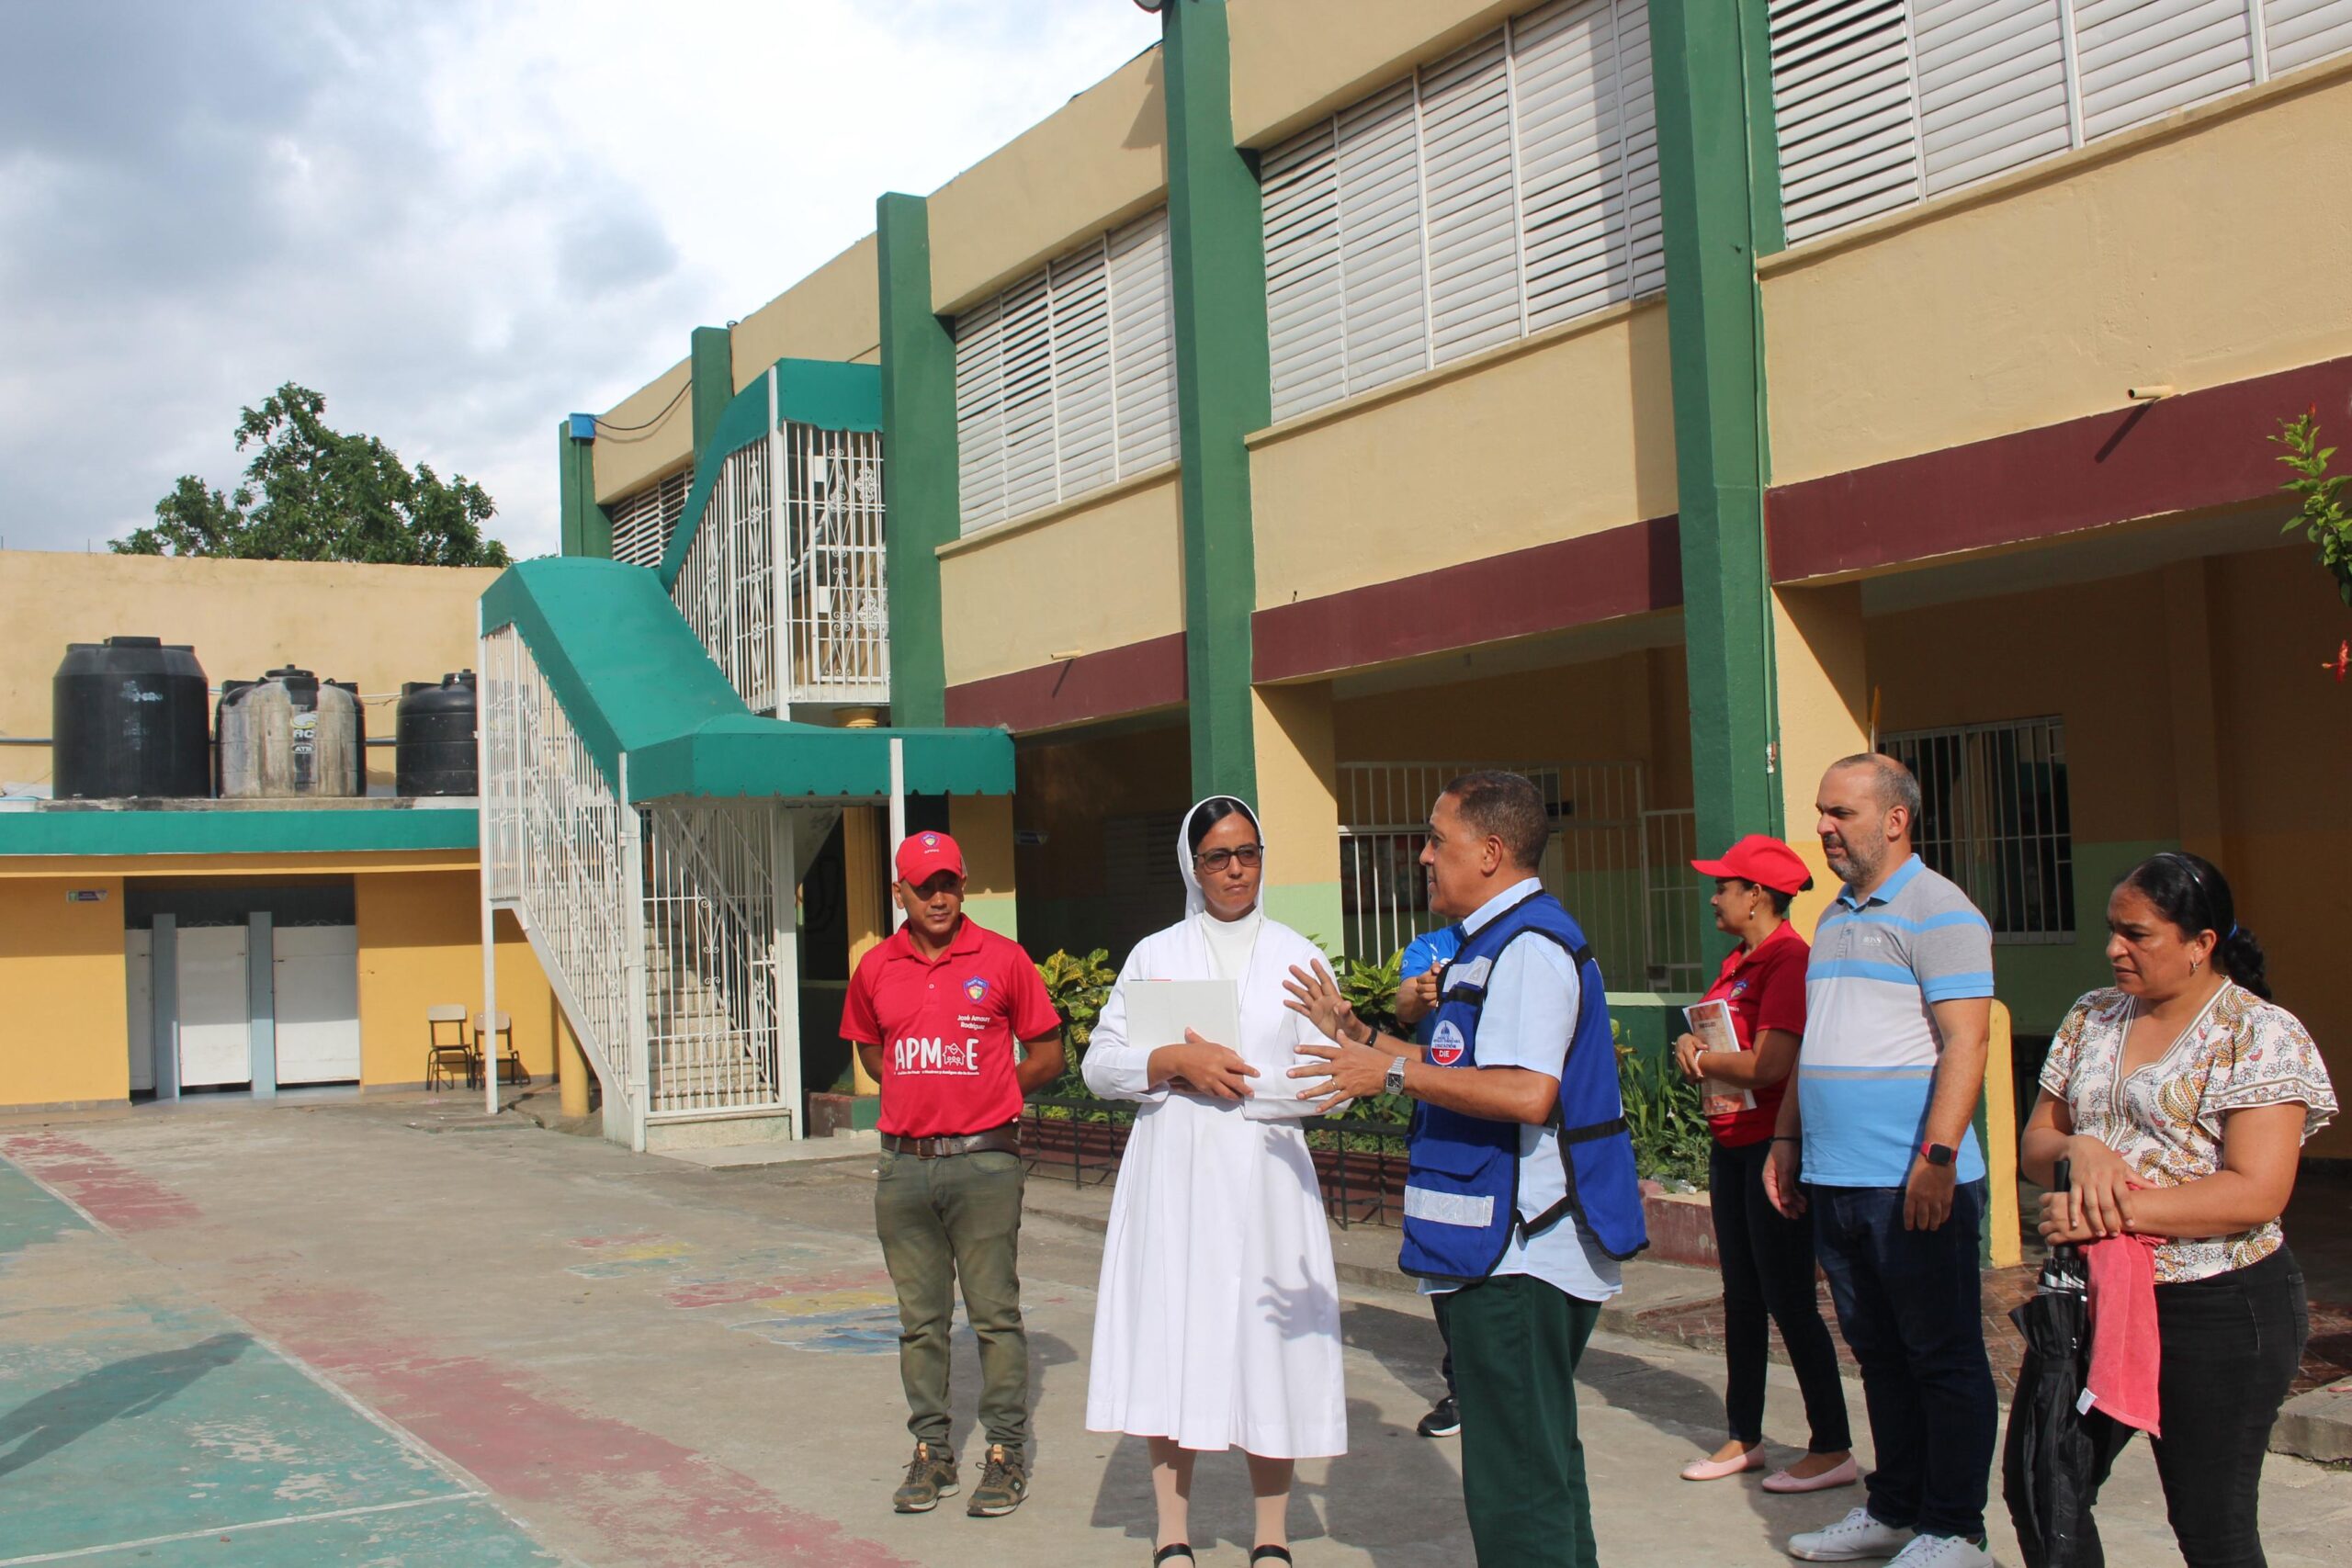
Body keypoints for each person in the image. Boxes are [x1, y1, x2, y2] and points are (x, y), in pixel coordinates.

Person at [1288, 770, 1645, 1568]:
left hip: (1521, 1256)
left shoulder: (1529, 947)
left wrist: (1385, 1075)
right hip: (1499, 1250)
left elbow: (1524, 1091)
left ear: (1489, 852)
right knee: (1537, 1465)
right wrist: (1361, 1037)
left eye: (1436, 840)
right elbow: (1461, 1062)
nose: (1422, 855)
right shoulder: (1490, 945)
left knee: (1516, 1484)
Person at [2018, 851, 2334, 1568]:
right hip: (2090, 1297)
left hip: (2220, 1306)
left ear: (2201, 944)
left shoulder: (2258, 1034)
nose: (2113, 949)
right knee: (2044, 1486)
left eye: (2137, 934)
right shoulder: (2092, 1015)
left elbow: (2256, 1191)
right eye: (2111, 930)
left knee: (2210, 1525)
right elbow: (2037, 1144)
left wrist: (2112, 1210)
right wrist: (2081, 1149)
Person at [1081, 795, 1347, 1567]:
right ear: (1190, 866)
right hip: (1176, 1178)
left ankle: (1271, 1534)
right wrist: (1169, 1062)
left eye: (1248, 853)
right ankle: (1173, 1532)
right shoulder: (1155, 954)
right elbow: (1101, 1064)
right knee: (1174, 1336)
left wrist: (1231, 1079)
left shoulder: (1299, 958)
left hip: (1267, 1181)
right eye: (1217, 857)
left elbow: (1328, 1078)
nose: (1235, 869)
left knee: (1270, 1347)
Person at [1768, 755, 2000, 1568]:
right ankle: (1894, 1507)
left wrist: (1937, 1155)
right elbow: (1818, 1041)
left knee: (1942, 1354)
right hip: (1837, 1177)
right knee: (1880, 1354)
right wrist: (1788, 1140)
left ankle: (1956, 1526)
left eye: (1841, 812)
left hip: (1914, 1181)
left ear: (1895, 819)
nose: (1825, 826)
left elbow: (1968, 1040)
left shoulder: (1942, 911)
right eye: (1822, 810)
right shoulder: (1833, 915)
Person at [838, 829, 1065, 1519]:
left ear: (963, 886)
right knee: (920, 1322)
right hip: (903, 1168)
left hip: (985, 1163)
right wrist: (926, 1095)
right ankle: (932, 1453)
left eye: (950, 883)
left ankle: (1004, 1452)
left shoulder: (1002, 959)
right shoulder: (876, 966)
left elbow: (1048, 1053)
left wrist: (989, 1095)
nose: (939, 897)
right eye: (924, 885)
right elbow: (877, 1056)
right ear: (899, 890)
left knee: (995, 1314)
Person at [1669, 834, 1854, 1492]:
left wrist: (1703, 1058)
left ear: (1757, 896)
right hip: (1731, 1143)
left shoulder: (1786, 961)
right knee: (1743, 1297)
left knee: (1788, 1299)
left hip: (1773, 1145)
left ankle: (1832, 1443)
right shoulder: (1738, 961)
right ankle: (1742, 1434)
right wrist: (1695, 1043)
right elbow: (1721, 1036)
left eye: (1725, 885)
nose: (1714, 895)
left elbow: (1773, 1063)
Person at [1394, 919, 1464, 1440]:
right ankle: (1462, 1387)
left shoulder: (1522, 937)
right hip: (1437, 1124)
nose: (1429, 863)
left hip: (1501, 1129)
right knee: (1441, 1258)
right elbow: (1403, 1010)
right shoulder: (1430, 946)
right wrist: (1422, 993)